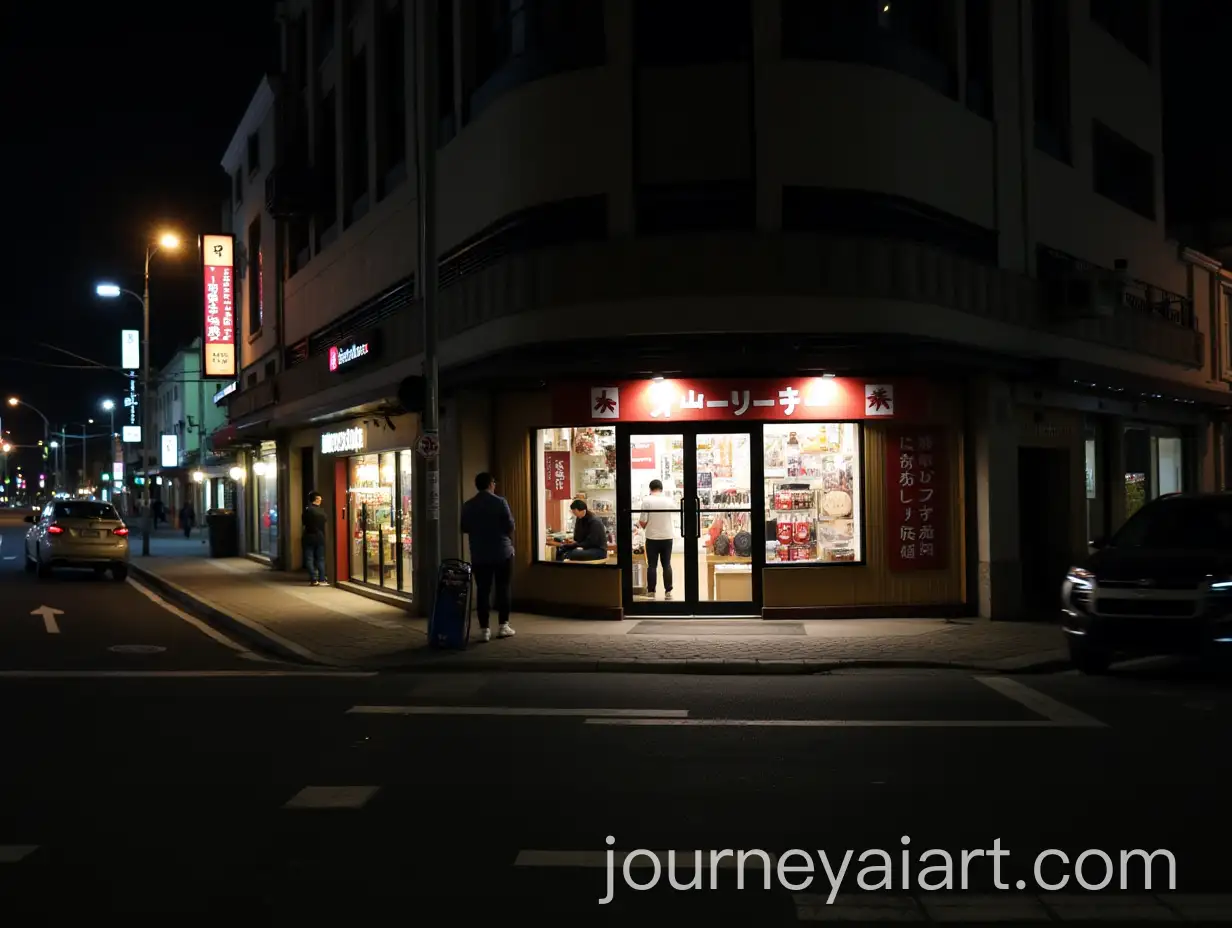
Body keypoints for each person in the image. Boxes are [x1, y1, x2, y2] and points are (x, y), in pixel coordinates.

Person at [460, 471, 516, 642]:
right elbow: (510, 525)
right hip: (501, 552)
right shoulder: (500, 502)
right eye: (494, 482)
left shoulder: (469, 505)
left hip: (479, 553)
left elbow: (464, 527)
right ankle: (503, 626)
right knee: (503, 588)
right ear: (491, 484)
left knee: (483, 591)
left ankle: (485, 630)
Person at [638, 479, 675, 600]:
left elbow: (643, 521)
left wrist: (643, 525)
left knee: (652, 565)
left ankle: (651, 592)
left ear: (650, 489)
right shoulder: (669, 500)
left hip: (652, 537)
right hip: (667, 536)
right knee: (667, 565)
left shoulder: (647, 500)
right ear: (661, 488)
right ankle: (668, 591)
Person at [302, 492, 328, 586]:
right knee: (320, 558)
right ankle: (322, 579)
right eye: (320, 499)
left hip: (309, 536)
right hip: (320, 536)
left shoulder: (308, 510)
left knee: (309, 558)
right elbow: (325, 521)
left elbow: (304, 522)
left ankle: (314, 579)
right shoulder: (322, 512)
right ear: (316, 499)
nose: (321, 501)